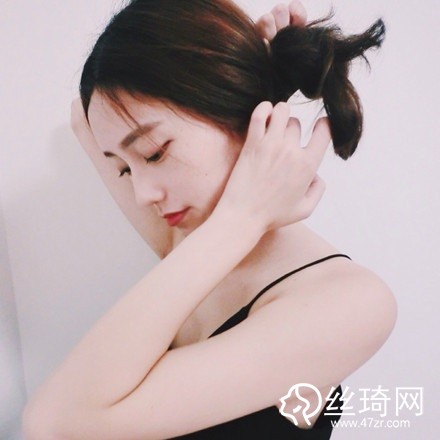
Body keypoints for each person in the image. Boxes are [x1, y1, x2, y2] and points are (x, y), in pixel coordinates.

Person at [23, 1, 397, 439]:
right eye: (123, 169)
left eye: (153, 153)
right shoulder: (186, 235)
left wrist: (242, 217)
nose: (142, 195)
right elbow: (82, 116)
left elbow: (52, 426)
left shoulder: (352, 303)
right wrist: (245, 55)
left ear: (244, 115)